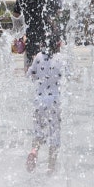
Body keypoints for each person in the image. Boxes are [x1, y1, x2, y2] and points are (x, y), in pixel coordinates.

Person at [25, 37, 68, 174]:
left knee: (38, 130)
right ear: (58, 44)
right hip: (54, 101)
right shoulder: (60, 58)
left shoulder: (38, 56)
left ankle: (34, 150)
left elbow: (29, 74)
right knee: (54, 134)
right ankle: (51, 168)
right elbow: (68, 75)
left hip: (39, 101)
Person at [12, 0, 60, 70]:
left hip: (30, 36)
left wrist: (19, 36)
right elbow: (55, 16)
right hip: (48, 35)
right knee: (50, 67)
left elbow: (16, 17)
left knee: (30, 69)